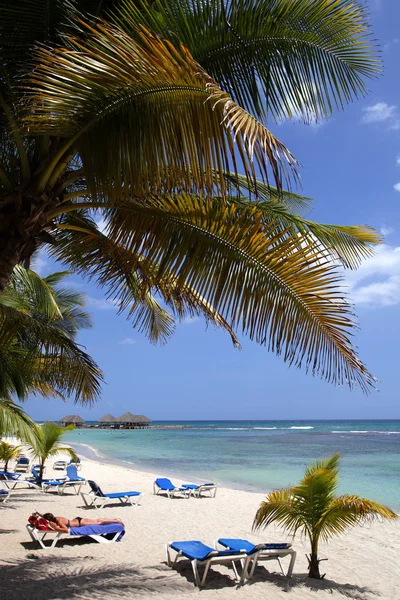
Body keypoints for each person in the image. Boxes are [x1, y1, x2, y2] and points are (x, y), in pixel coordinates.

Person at [42, 513, 124, 533]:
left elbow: (66, 530)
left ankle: (117, 521)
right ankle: (114, 519)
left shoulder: (59, 521)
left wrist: (56, 528)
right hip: (78, 520)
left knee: (99, 522)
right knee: (97, 520)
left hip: (80, 523)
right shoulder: (57, 517)